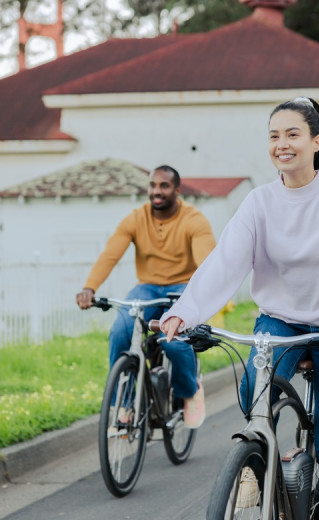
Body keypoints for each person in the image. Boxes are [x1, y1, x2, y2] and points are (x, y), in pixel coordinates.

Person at [159, 97, 319, 520]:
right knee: (252, 392)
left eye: (293, 134)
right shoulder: (259, 202)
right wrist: (185, 312)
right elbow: (226, 262)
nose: (282, 144)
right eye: (274, 136)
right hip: (280, 320)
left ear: (316, 142)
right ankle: (259, 461)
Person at [76, 165, 216, 428]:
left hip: (184, 286)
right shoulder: (136, 218)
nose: (156, 191)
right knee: (120, 331)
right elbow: (110, 255)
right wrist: (90, 288)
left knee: (173, 340)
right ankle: (124, 403)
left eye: (164, 186)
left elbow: (207, 265)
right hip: (148, 287)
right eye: (152, 185)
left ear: (177, 190)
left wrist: (205, 298)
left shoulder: (194, 220)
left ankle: (189, 392)